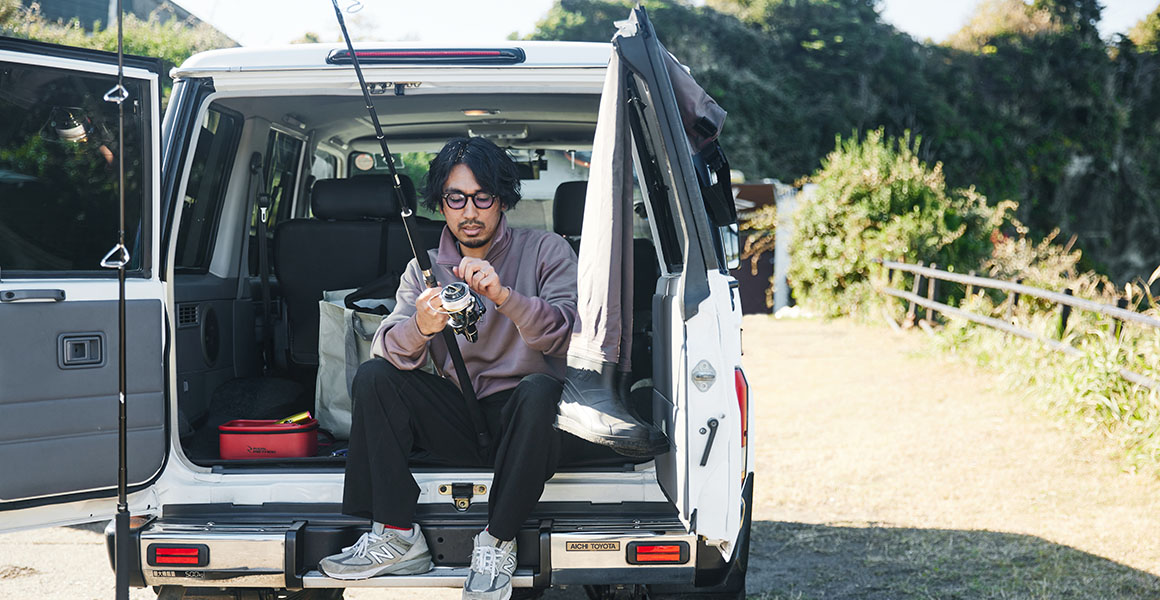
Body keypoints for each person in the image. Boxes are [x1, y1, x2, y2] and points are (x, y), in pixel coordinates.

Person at [319, 136, 581, 600]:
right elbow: (389, 350)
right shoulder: (422, 269)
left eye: (483, 197)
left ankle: (496, 541)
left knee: (541, 389)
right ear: (441, 205)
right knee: (374, 377)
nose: (470, 212)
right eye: (456, 199)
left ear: (503, 201)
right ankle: (396, 533)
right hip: (462, 415)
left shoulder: (547, 250)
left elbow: (564, 336)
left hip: (531, 422)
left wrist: (505, 298)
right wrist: (420, 325)